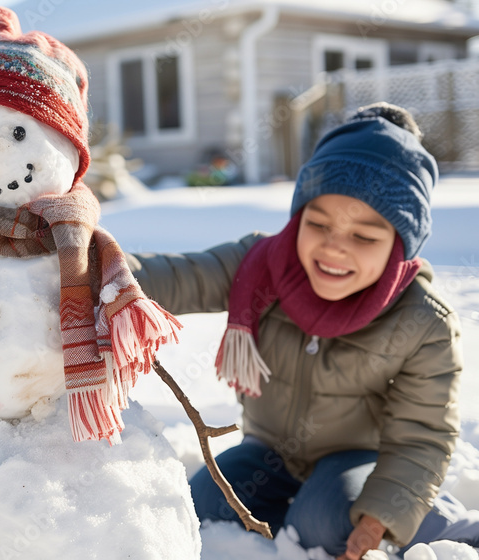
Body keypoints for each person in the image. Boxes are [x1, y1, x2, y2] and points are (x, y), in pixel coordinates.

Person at [129, 103, 477, 558]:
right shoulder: (261, 265)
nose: (334, 248)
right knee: (202, 506)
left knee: (324, 522)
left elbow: (422, 433)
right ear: (298, 216)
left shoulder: (421, 320)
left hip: (355, 457)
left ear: (401, 246)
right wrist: (95, 267)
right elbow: (178, 277)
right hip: (269, 451)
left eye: (365, 236)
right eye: (318, 224)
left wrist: (382, 518)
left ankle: (457, 531)